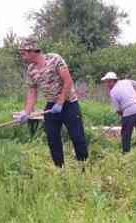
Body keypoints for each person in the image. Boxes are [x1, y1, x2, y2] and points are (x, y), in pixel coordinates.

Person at [13, 39, 88, 167]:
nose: (22, 56)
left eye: (24, 53)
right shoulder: (31, 69)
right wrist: (27, 112)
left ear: (33, 51)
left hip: (69, 104)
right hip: (51, 106)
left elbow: (68, 81)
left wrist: (60, 102)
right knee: (53, 140)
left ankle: (83, 168)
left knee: (77, 137)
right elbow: (32, 92)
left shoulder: (54, 59)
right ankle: (59, 169)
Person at [101, 72, 136, 153]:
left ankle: (126, 154)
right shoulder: (126, 81)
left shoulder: (113, 92)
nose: (106, 84)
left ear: (113, 81)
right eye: (106, 82)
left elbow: (118, 110)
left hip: (129, 112)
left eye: (108, 82)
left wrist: (124, 117)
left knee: (125, 135)